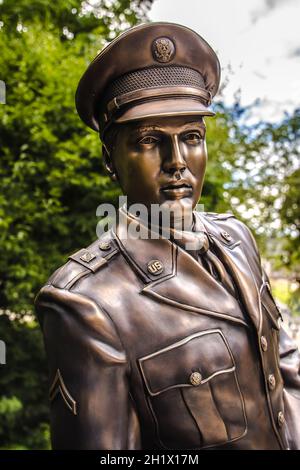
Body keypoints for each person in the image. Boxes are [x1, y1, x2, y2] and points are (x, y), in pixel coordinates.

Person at [35, 22, 300, 450]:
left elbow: (285, 365)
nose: (178, 161)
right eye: (150, 140)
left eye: (192, 137)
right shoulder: (86, 302)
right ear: (110, 158)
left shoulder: (237, 238)